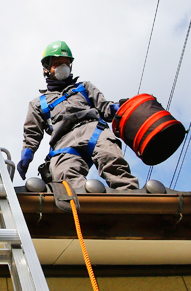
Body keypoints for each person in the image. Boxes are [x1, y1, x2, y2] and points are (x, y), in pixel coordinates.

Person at [18, 40, 139, 191]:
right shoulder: (38, 103)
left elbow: (105, 107)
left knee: (111, 159)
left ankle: (131, 200)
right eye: (57, 63)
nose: (63, 66)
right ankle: (84, 211)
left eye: (66, 63)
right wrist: (27, 155)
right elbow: (32, 133)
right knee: (65, 179)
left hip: (94, 130)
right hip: (63, 141)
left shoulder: (84, 87)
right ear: (46, 69)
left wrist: (117, 108)